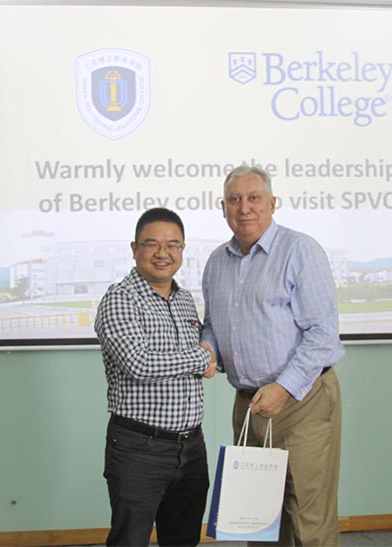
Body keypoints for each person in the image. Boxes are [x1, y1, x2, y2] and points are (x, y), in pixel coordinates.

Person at [201, 165, 346, 547]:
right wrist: (208, 348)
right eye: (234, 200)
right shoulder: (216, 262)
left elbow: (323, 334)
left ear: (272, 203)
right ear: (223, 208)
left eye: (254, 198)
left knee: (307, 520)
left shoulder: (300, 250)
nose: (244, 207)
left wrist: (282, 388)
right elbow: (213, 324)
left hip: (302, 401)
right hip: (249, 406)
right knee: (258, 518)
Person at [95, 207, 217, 547]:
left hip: (191, 446)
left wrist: (209, 356)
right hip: (139, 448)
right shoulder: (120, 299)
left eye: (173, 245)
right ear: (135, 249)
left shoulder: (184, 300)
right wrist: (201, 357)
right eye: (152, 244)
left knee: (183, 540)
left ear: (182, 250)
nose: (163, 253)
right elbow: (139, 364)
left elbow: (202, 353)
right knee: (130, 540)